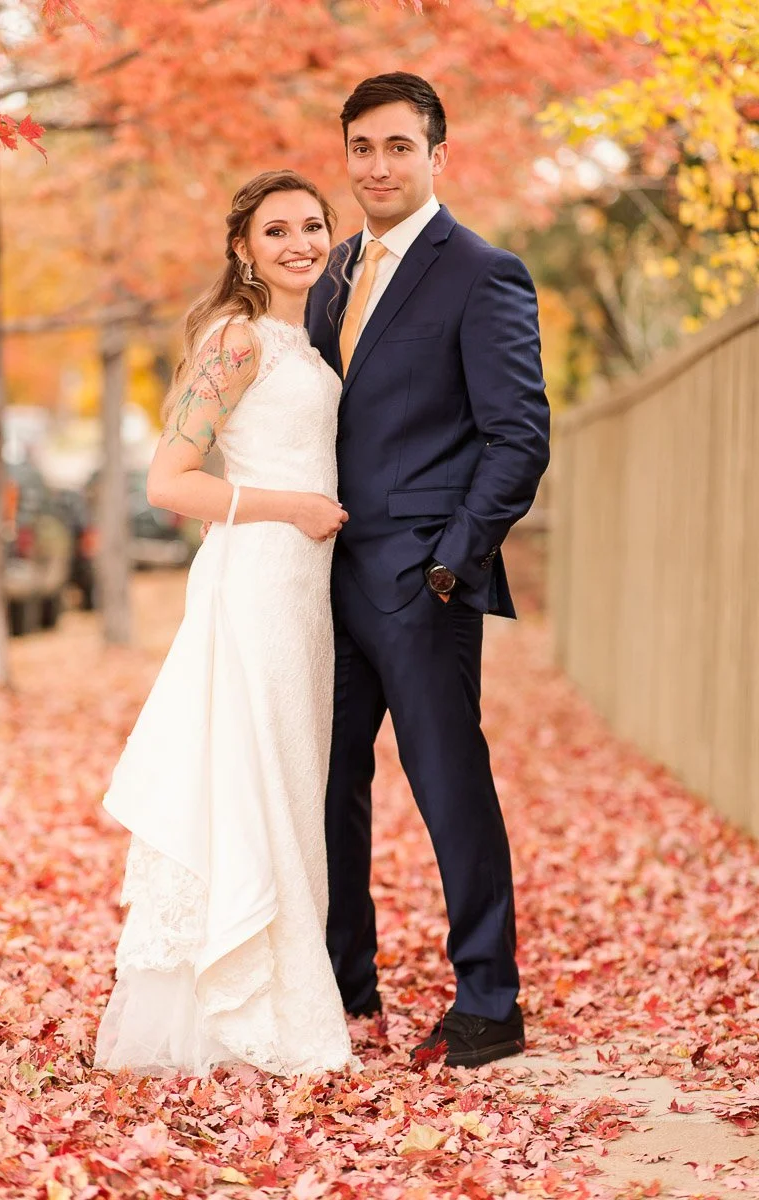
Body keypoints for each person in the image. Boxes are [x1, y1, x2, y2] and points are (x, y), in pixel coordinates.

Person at [306, 73, 551, 1068]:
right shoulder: (324, 272)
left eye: (397, 147)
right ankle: (341, 984)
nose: (376, 166)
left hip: (422, 580)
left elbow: (517, 437)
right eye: (361, 147)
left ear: (435, 156)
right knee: (326, 789)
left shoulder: (480, 271)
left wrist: (452, 561)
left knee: (449, 784)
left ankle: (489, 1001)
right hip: (320, 579)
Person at [94, 170, 357, 1078]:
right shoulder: (236, 342)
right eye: (276, 229)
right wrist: (294, 507)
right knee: (252, 786)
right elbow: (171, 481)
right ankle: (243, 1018)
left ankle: (276, 997)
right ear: (244, 248)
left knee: (285, 786)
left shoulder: (306, 340)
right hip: (255, 583)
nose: (299, 243)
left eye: (313, 226)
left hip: (301, 596)